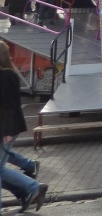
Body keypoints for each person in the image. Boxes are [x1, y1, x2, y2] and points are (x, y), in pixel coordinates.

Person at [0, 40, 48, 213]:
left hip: (7, 129)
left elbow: (9, 105)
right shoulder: (8, 74)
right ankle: (33, 185)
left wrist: (7, 131)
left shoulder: (5, 76)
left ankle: (34, 186)